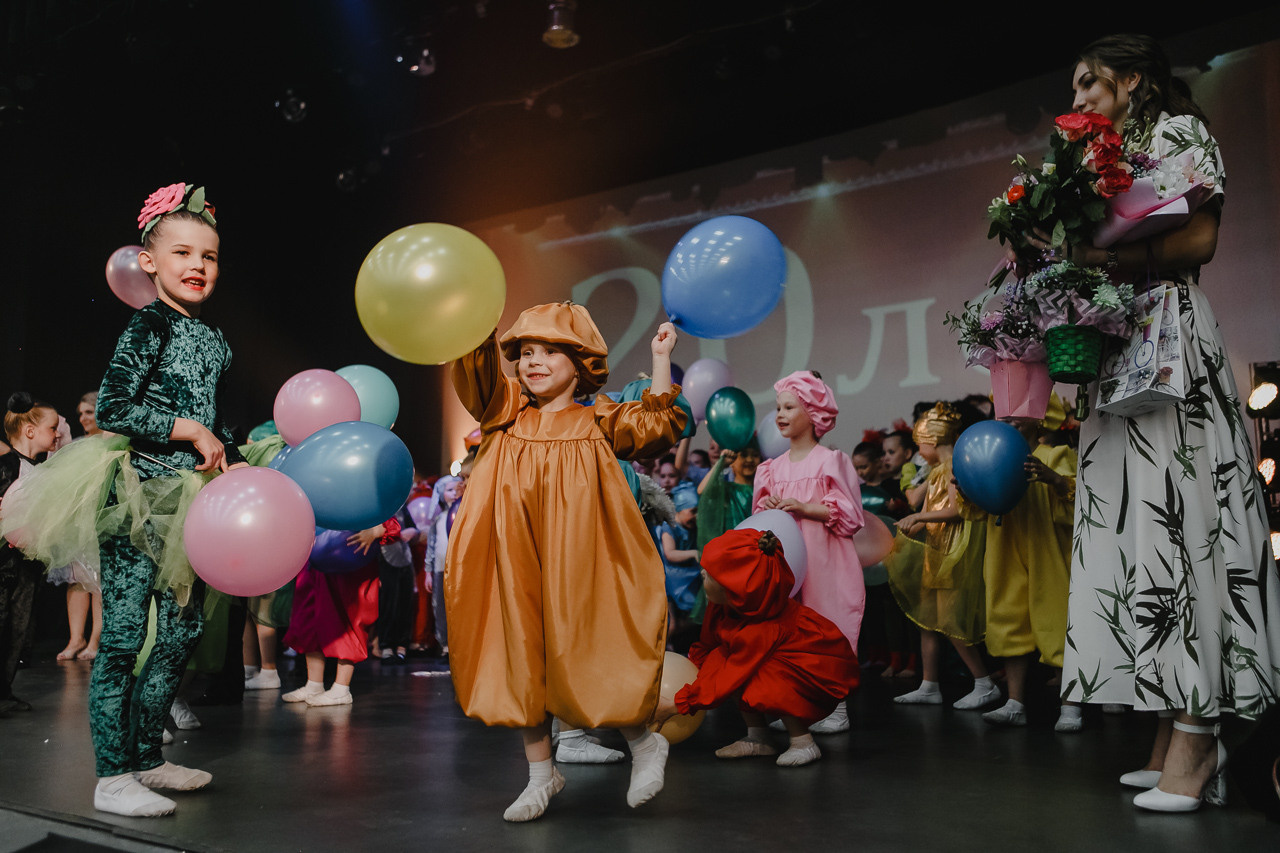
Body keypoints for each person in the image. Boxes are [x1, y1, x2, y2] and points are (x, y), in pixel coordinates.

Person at [1038, 34, 1280, 813]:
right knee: (1139, 530)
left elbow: (1201, 237)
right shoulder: (1093, 162)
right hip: (1119, 346)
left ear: (1132, 77)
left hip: (1168, 336)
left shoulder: (1177, 134)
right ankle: (1169, 722)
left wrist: (1109, 261)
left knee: (1183, 523)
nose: (1077, 98)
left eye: (1090, 82)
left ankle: (1200, 733)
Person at [0, 184, 242, 816]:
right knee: (125, 635)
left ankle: (146, 757)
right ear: (149, 261)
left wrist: (227, 451)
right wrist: (185, 429)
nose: (197, 266)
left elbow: (214, 414)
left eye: (209, 256)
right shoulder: (148, 324)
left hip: (193, 501)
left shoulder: (215, 341)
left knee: (181, 631)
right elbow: (112, 407)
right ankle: (111, 778)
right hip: (138, 495)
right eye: (183, 252)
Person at [446, 301, 687, 822]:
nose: (533, 361)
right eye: (525, 352)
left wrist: (661, 357)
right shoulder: (504, 410)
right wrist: (474, 317)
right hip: (514, 554)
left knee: (592, 646)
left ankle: (644, 744)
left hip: (583, 556)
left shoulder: (599, 418)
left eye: (550, 351)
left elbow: (660, 424)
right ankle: (541, 775)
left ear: (581, 364)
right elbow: (476, 369)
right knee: (521, 657)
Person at [653, 528, 859, 767]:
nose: (701, 575)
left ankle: (803, 741)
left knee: (766, 676)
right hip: (761, 656)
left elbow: (732, 673)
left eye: (708, 576)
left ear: (733, 592)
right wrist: (697, 672)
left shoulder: (761, 629)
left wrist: (678, 704)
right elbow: (709, 645)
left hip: (815, 664)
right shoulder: (721, 606)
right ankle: (759, 737)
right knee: (720, 661)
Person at [753, 370, 865, 734]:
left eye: (789, 407)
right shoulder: (771, 469)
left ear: (813, 411)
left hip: (826, 561)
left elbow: (849, 516)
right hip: (791, 563)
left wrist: (803, 508)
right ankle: (795, 706)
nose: (780, 415)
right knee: (791, 629)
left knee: (829, 626)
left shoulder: (831, 462)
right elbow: (759, 522)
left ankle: (836, 707)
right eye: (778, 408)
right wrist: (770, 506)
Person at [963, 396, 1080, 731]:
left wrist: (1054, 479)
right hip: (1005, 547)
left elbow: (1080, 502)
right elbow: (975, 511)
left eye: (1019, 411)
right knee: (1007, 615)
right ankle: (1015, 702)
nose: (1010, 417)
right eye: (1005, 411)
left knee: (1057, 618)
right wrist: (970, 489)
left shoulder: (1057, 455)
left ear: (1041, 418)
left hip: (1046, 548)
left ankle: (1071, 706)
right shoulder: (990, 456)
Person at [885, 402, 998, 710]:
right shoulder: (936, 471)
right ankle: (929, 684)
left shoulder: (954, 469)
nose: (918, 450)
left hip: (952, 550)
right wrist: (915, 522)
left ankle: (984, 682)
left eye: (920, 444)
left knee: (949, 620)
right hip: (935, 551)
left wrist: (920, 520)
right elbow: (921, 507)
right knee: (928, 620)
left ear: (932, 441)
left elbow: (959, 511)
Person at [0, 393, 62, 713]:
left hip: (26, 563)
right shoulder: (6, 464)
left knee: (18, 628)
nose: (58, 434)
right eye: (52, 428)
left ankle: (3, 691)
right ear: (29, 431)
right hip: (3, 561)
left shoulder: (40, 470)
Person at [55, 392, 107, 662]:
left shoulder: (110, 444)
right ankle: (76, 638)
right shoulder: (76, 445)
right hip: (76, 523)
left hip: (100, 520)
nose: (83, 418)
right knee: (75, 580)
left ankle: (95, 641)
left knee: (97, 581)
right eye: (80, 413)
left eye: (89, 412)